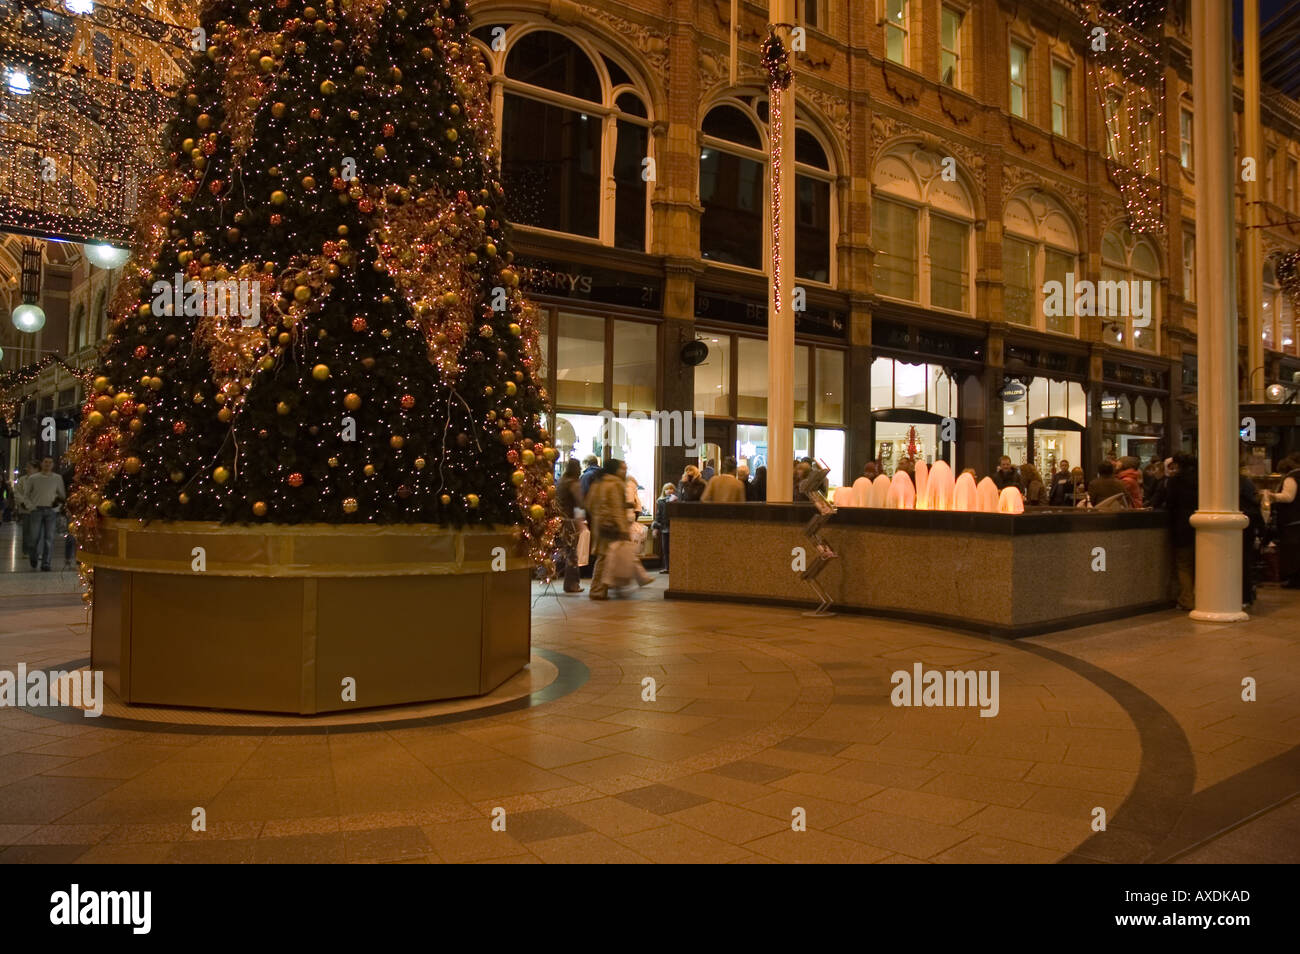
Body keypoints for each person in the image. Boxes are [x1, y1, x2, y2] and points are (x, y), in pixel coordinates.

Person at [587, 458, 651, 599]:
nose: (625, 471)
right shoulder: (615, 484)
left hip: (600, 525)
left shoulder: (598, 483)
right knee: (606, 558)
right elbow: (616, 508)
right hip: (612, 527)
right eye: (622, 468)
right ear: (615, 470)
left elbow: (589, 504)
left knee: (604, 557)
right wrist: (622, 528)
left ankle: (604, 587)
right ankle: (598, 590)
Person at [1165, 453, 1198, 609]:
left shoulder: (1175, 481)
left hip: (1181, 525)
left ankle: (1187, 599)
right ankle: (1203, 596)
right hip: (1201, 525)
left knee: (1183, 564)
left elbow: (1170, 504)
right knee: (1199, 563)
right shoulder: (1202, 480)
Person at [25, 457, 67, 572]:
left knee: (49, 538)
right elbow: (26, 495)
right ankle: (33, 556)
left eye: (50, 462)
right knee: (34, 537)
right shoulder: (33, 478)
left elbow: (62, 495)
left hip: (51, 511)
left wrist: (57, 507)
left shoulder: (57, 478)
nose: (47, 464)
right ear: (42, 463)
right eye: (45, 462)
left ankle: (46, 563)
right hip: (36, 510)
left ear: (53, 465)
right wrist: (31, 507)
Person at [1265, 455, 1300, 588]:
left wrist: (1271, 496)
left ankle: (1293, 580)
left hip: (1292, 520)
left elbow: (1288, 497)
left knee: (1291, 551)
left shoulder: (1291, 478)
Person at [556, 459, 585, 593]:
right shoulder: (573, 483)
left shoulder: (561, 482)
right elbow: (580, 503)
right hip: (570, 521)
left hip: (559, 520)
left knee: (563, 551)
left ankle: (546, 574)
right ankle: (572, 584)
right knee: (572, 554)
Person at [1240, 471, 1264, 607]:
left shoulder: (1235, 483)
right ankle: (1247, 596)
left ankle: (1244, 595)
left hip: (1242, 527)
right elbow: (1255, 503)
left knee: (1242, 561)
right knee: (1246, 561)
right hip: (1249, 526)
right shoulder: (1246, 481)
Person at [14, 461, 39, 565]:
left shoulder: (40, 479)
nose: (27, 469)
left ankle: (36, 551)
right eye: (27, 467)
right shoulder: (22, 480)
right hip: (26, 510)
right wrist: (23, 503)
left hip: (37, 509)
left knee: (37, 531)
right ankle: (26, 551)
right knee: (27, 531)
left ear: (36, 469)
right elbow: (17, 493)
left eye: (30, 467)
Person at [652, 483, 677, 574]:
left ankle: (674, 567)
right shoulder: (661, 501)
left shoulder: (676, 500)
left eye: (671, 488)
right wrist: (656, 527)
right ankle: (667, 567)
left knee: (674, 548)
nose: (669, 490)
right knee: (665, 548)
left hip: (674, 527)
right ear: (664, 491)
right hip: (664, 527)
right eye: (667, 489)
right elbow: (658, 515)